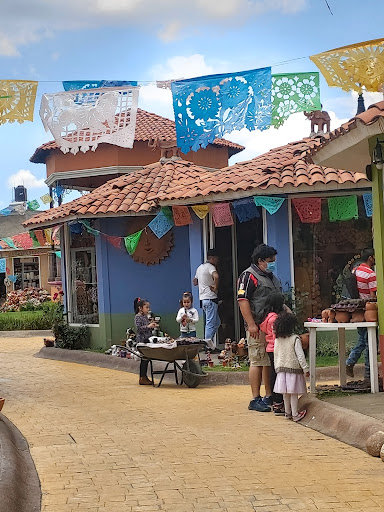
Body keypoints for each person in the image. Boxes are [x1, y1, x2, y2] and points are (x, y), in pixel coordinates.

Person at [237, 243, 282, 412]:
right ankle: (255, 398)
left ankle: (269, 395)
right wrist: (251, 325)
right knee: (257, 360)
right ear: (260, 260)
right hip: (257, 326)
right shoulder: (248, 276)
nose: (273, 263)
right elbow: (243, 301)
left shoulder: (270, 276)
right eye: (270, 261)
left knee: (267, 362)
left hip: (271, 327)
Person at [346, 248, 376, 383]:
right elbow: (373, 297)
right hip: (368, 312)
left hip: (356, 311)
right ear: (370, 258)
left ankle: (350, 361)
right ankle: (369, 375)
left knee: (362, 340)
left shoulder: (355, 270)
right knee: (370, 343)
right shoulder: (370, 274)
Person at [273, 311, 309, 422]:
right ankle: (295, 414)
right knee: (294, 393)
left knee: (286, 393)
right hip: (293, 370)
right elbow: (300, 355)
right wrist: (305, 368)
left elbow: (276, 354)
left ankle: (287, 413)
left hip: (281, 369)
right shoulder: (295, 339)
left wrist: (277, 367)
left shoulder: (277, 340)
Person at [257, 291, 286, 415]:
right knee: (279, 375)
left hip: (270, 348)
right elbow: (277, 335)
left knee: (274, 374)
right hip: (277, 348)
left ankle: (277, 401)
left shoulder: (266, 317)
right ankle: (279, 402)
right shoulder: (275, 318)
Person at [193, 249, 220, 349]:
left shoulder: (200, 267)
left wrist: (202, 283)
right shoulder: (211, 267)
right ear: (212, 258)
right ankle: (208, 346)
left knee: (217, 322)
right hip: (210, 298)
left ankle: (209, 343)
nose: (217, 261)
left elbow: (195, 281)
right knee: (210, 323)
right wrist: (215, 286)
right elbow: (216, 276)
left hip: (203, 299)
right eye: (216, 259)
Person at [134, 297, 158, 386]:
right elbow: (139, 329)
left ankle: (143, 377)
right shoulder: (137, 317)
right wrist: (148, 326)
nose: (148, 309)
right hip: (142, 341)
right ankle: (142, 377)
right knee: (144, 359)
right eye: (146, 307)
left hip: (147, 339)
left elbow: (147, 327)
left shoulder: (145, 317)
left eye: (148, 307)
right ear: (140, 308)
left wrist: (152, 325)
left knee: (146, 359)